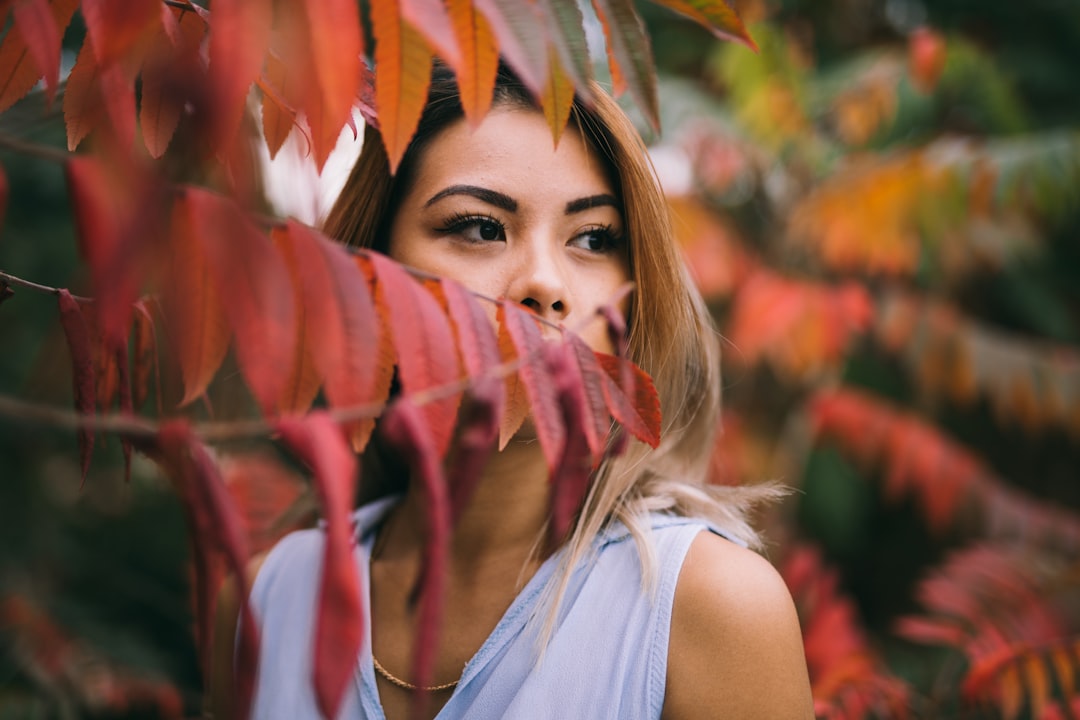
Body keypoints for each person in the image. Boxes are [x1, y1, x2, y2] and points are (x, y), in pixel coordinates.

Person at [220, 62, 814, 719]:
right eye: (479, 227)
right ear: (371, 270)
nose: (545, 283)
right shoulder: (262, 604)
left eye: (593, 239)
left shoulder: (710, 613)